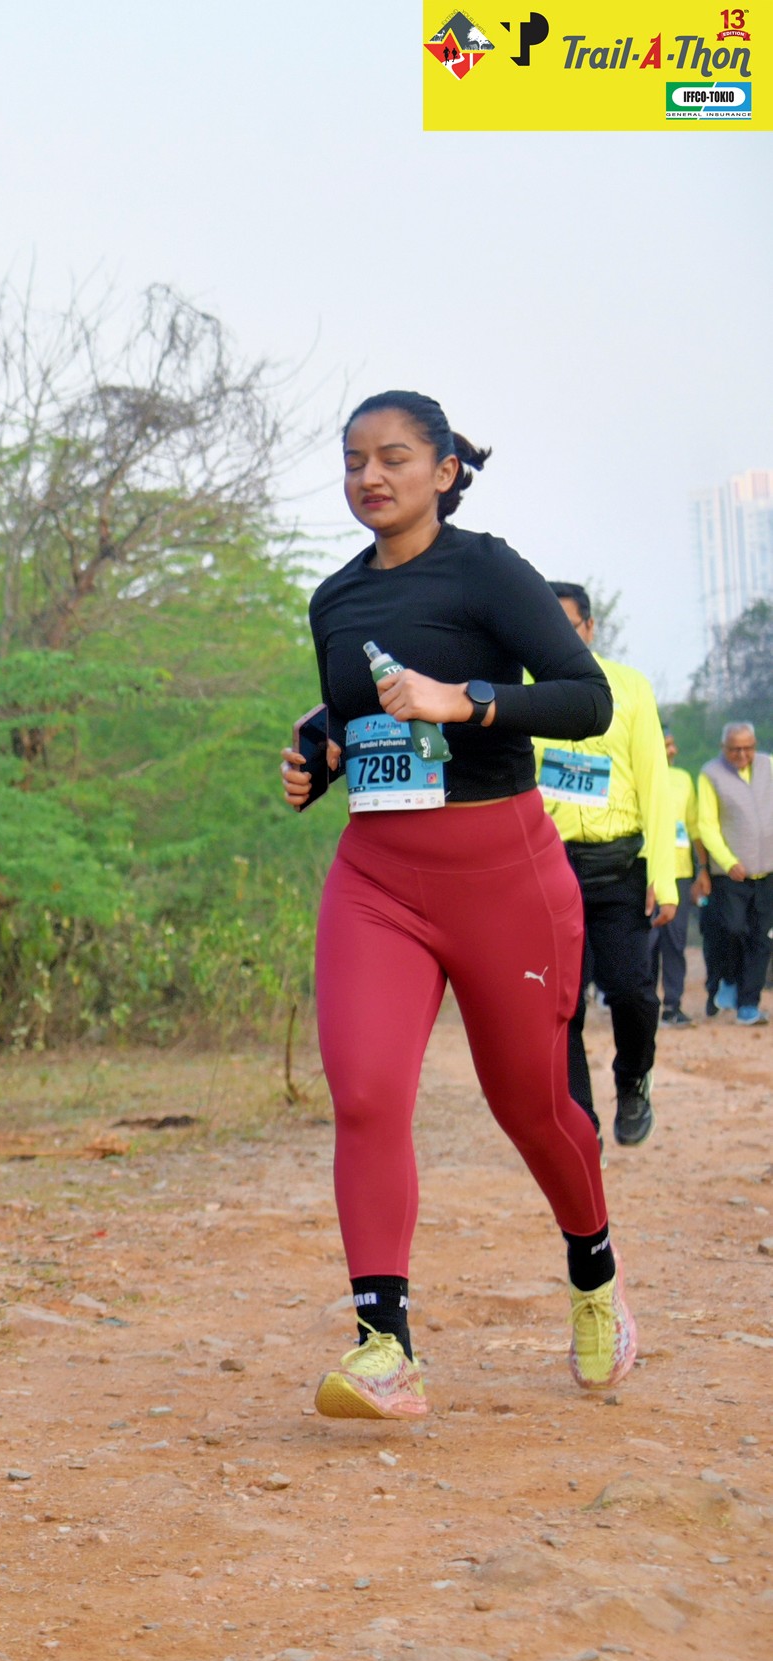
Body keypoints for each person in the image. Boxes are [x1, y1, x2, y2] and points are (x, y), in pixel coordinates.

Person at [280, 390, 632, 1420]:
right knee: (364, 1093)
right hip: (376, 880)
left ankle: (594, 1275)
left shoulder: (486, 569)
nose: (369, 477)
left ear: (443, 470)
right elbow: (353, 715)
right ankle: (383, 1347)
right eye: (353, 460)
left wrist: (464, 698)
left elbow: (585, 697)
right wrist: (316, 756)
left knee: (529, 1104)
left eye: (392, 457)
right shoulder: (334, 598)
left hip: (500, 876)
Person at [533, 582, 673, 1145]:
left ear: (589, 628)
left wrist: (662, 874)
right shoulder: (522, 693)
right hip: (549, 871)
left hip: (620, 868)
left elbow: (655, 783)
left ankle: (633, 1080)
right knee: (560, 1006)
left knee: (632, 992)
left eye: (568, 627)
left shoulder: (630, 688)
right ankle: (580, 1124)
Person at [692, 721, 773, 1025]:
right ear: (723, 748)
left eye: (747, 748)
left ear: (755, 745)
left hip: (767, 872)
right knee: (732, 929)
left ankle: (748, 1005)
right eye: (735, 749)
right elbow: (707, 825)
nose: (742, 754)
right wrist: (727, 861)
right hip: (730, 874)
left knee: (761, 938)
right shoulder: (711, 774)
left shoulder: (768, 765)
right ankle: (727, 978)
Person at [657, 732, 699, 1027]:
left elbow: (694, 826)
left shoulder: (683, 779)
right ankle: (644, 1007)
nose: (673, 750)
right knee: (647, 944)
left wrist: (702, 870)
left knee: (675, 942)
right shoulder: (634, 774)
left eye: (673, 744)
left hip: (680, 872)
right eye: (667, 745)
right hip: (645, 872)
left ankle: (673, 1005)